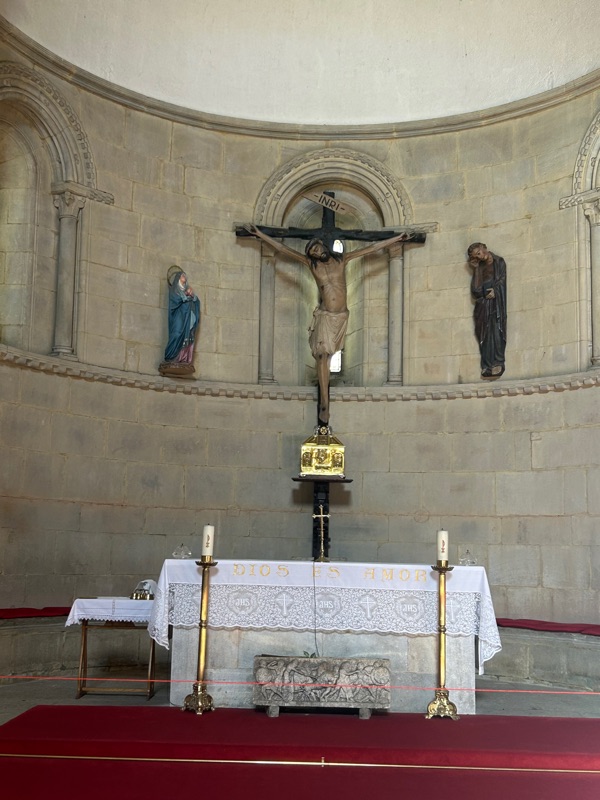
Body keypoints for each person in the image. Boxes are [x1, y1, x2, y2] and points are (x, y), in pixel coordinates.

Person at [245, 225, 411, 424]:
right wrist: (260, 234)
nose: (316, 253)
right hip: (325, 317)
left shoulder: (342, 260)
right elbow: (283, 249)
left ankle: (325, 401)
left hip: (340, 318)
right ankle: (325, 404)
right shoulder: (312, 265)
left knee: (328, 356)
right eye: (313, 253)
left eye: (316, 248)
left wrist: (396, 239)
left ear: (323, 245)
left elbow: (371, 248)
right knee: (322, 356)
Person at [467, 242, 507, 379]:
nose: (479, 256)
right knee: (484, 333)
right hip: (483, 306)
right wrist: (476, 269)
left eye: (479, 252)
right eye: (476, 256)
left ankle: (498, 362)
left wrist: (495, 290)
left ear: (484, 248)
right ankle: (487, 364)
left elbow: (502, 280)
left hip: (496, 304)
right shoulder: (480, 267)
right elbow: (476, 291)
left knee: (496, 331)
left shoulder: (498, 262)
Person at [159, 266, 201, 377]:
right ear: (178, 278)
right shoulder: (175, 290)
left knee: (188, 335)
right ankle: (171, 356)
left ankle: (183, 358)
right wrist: (185, 296)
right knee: (177, 333)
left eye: (185, 276)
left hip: (187, 318)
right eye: (182, 276)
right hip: (179, 316)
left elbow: (196, 302)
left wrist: (193, 297)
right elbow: (175, 300)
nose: (184, 278)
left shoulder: (188, 289)